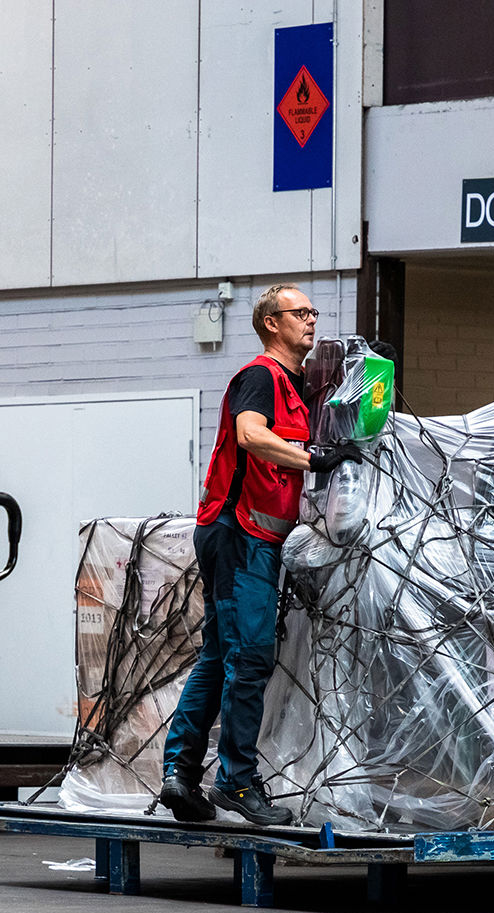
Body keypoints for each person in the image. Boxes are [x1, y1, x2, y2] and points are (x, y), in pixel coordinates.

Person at [158, 284, 362, 826]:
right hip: (239, 533)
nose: (311, 320)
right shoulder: (261, 378)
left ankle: (179, 774)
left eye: (314, 312)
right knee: (249, 657)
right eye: (300, 313)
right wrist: (312, 458)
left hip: (255, 538)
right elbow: (250, 437)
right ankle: (237, 783)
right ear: (272, 323)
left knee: (221, 654)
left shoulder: (297, 388)